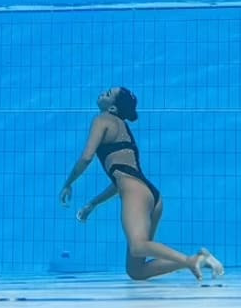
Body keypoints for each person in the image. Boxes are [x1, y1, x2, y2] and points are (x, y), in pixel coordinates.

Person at [59, 87, 224, 281]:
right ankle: (196, 260)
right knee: (136, 271)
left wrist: (68, 183)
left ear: (112, 108)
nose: (103, 93)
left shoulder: (102, 119)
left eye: (108, 94)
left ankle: (192, 260)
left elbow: (86, 158)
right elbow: (122, 179)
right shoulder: (122, 128)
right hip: (150, 195)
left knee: (138, 246)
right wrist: (93, 203)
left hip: (136, 192)